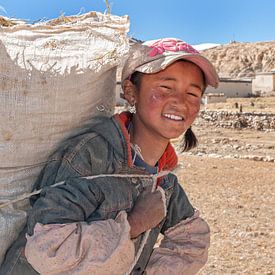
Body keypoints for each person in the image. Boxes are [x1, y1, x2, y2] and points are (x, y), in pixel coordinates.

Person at [0, 37, 219, 275]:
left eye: (193, 94)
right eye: (165, 88)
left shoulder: (164, 179)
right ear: (130, 92)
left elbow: (192, 240)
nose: (180, 102)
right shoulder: (91, 157)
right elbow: (48, 247)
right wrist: (134, 224)